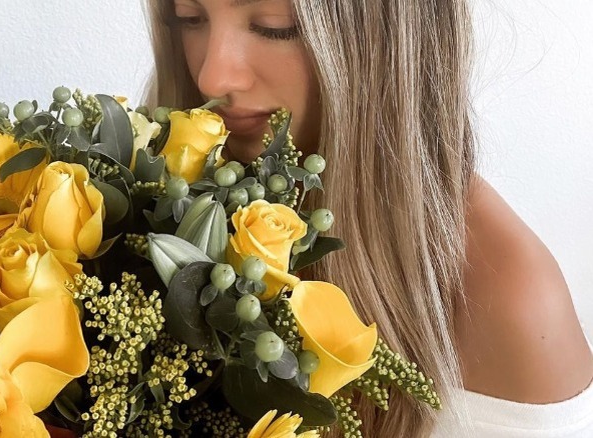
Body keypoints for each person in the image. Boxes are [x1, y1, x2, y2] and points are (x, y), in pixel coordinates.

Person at [142, 0, 593, 436]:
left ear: (386, 37)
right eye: (190, 17)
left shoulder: (512, 303)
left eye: (276, 25)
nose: (212, 75)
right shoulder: (138, 201)